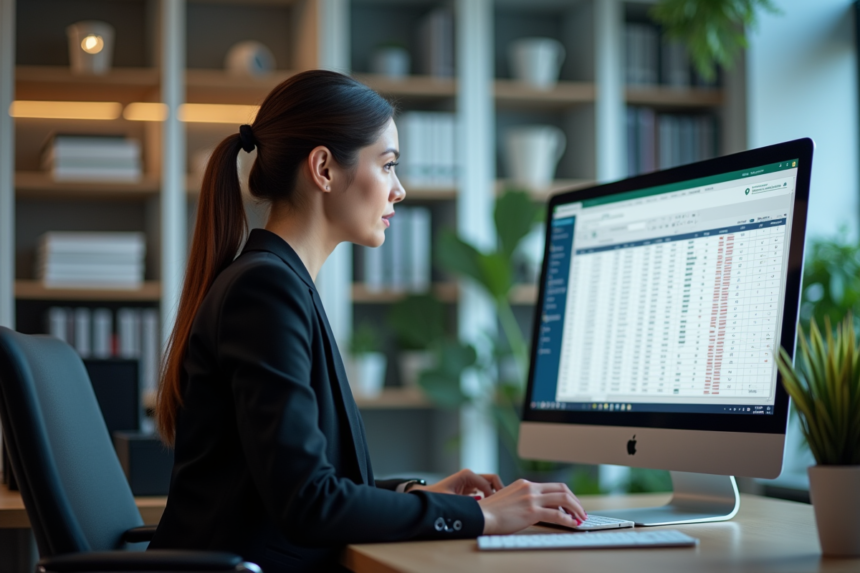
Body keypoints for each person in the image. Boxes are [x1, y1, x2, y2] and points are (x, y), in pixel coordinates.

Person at [149, 70, 586, 572]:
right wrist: (482, 518)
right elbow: (308, 503)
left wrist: (419, 493)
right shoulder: (265, 290)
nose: (398, 190)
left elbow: (297, 482)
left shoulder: (277, 281)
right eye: (388, 165)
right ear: (324, 169)